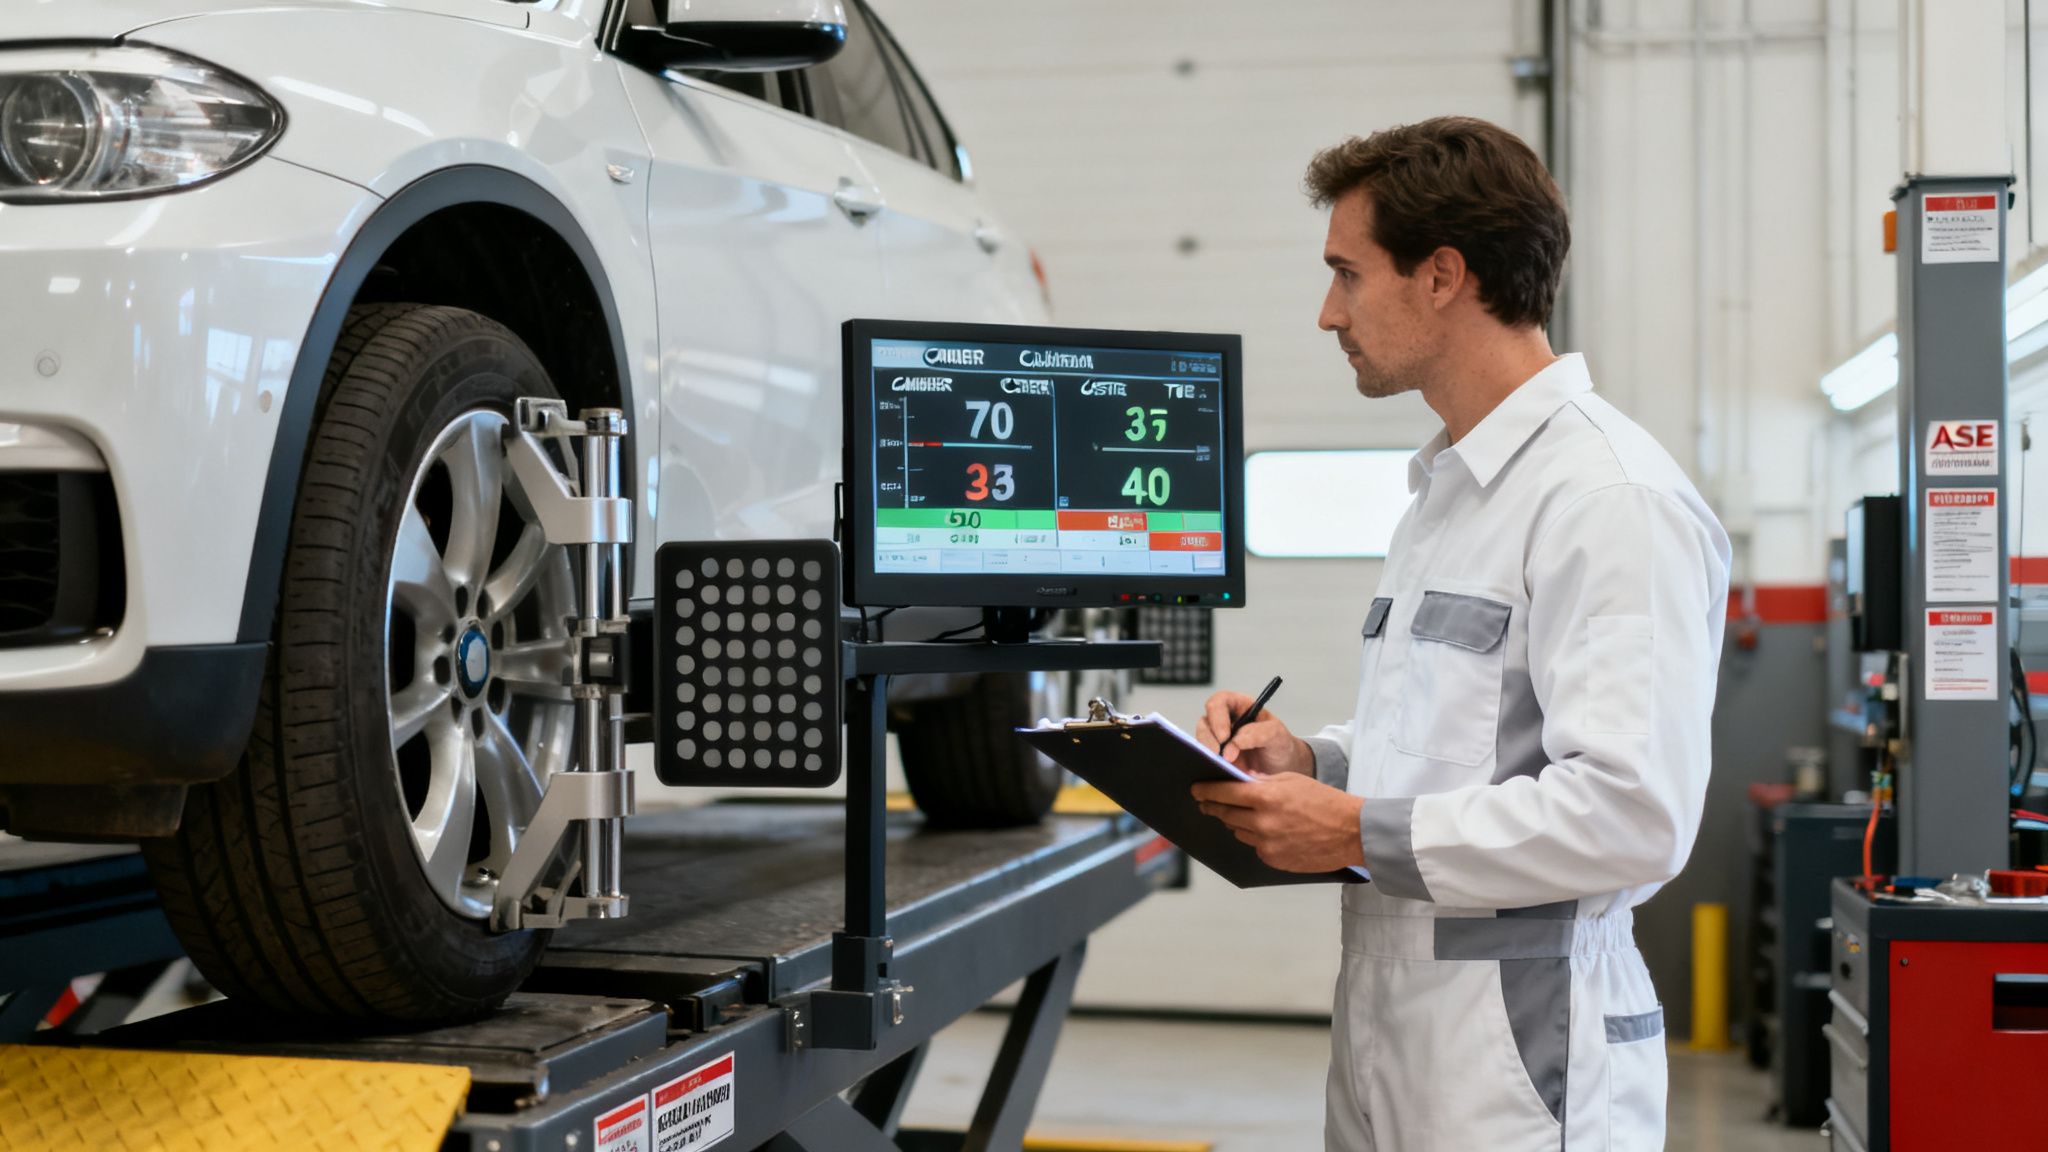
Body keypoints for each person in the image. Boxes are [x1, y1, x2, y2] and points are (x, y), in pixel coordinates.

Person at [1189, 117, 1731, 1150]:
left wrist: (1347, 830)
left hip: (1521, 1056)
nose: (1324, 313)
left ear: (1441, 275)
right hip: (1393, 1025)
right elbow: (1455, 743)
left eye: (1346, 275)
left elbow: (1632, 813)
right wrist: (1311, 760)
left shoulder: (1605, 500)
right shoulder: (1449, 492)